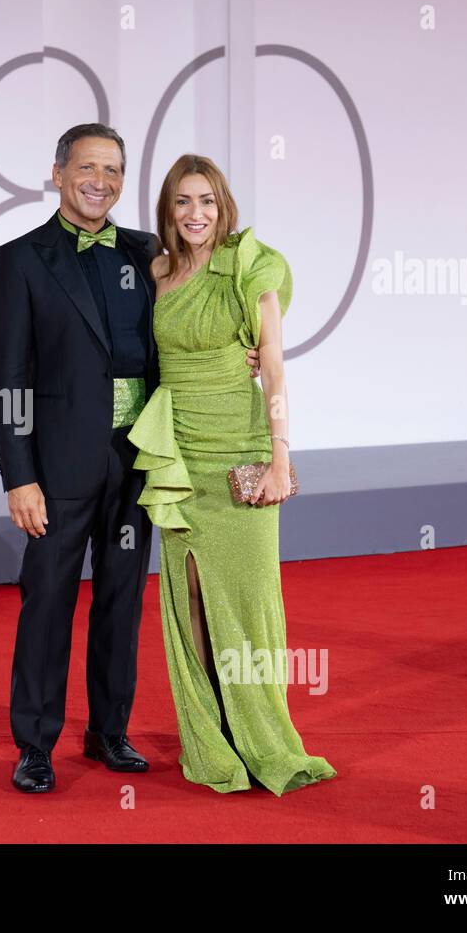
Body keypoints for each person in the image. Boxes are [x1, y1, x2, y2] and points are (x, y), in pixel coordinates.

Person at [0, 126, 260, 792]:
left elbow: (203, 314)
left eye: (112, 168)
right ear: (57, 174)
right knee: (47, 599)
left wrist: (243, 351)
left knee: (120, 599)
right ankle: (36, 745)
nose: (100, 179)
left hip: (140, 458)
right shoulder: (20, 259)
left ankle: (110, 731)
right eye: (87, 167)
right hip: (56, 468)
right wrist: (18, 474)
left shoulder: (150, 253)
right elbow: (8, 380)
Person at [127, 154, 337, 795]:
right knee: (187, 596)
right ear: (167, 210)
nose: (197, 215)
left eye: (208, 202)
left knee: (248, 603)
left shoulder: (250, 267)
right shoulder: (156, 271)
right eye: (184, 202)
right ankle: (212, 739)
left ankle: (264, 738)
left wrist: (280, 456)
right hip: (180, 452)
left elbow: (273, 367)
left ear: (225, 208)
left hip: (240, 449)